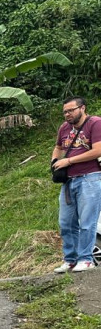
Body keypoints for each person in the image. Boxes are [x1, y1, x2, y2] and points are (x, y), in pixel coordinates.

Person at [51, 96, 101, 273]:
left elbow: (98, 150)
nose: (67, 114)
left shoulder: (95, 123)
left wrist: (69, 161)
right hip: (68, 181)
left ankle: (86, 259)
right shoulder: (64, 128)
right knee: (65, 222)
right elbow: (58, 146)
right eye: (65, 111)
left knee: (87, 222)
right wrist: (55, 161)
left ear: (82, 108)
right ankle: (70, 259)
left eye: (71, 110)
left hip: (91, 178)